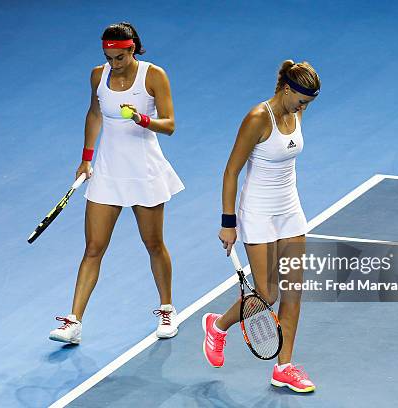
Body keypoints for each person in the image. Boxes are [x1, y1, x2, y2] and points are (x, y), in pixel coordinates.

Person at [50, 22, 184, 344]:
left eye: (118, 58)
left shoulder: (153, 76)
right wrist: (85, 158)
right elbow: (94, 114)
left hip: (144, 173)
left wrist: (142, 119)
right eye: (108, 58)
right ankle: (74, 322)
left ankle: (167, 308)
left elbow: (171, 125)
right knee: (93, 248)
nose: (113, 64)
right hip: (107, 173)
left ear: (131, 49)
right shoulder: (98, 76)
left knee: (153, 244)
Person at [203, 60, 320, 393]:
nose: (303, 108)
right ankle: (218, 326)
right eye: (300, 100)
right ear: (285, 90)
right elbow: (231, 171)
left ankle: (283, 367)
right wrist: (228, 223)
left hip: (290, 209)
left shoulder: (297, 110)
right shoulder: (257, 118)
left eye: (308, 104)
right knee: (266, 293)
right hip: (257, 211)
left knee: (294, 291)